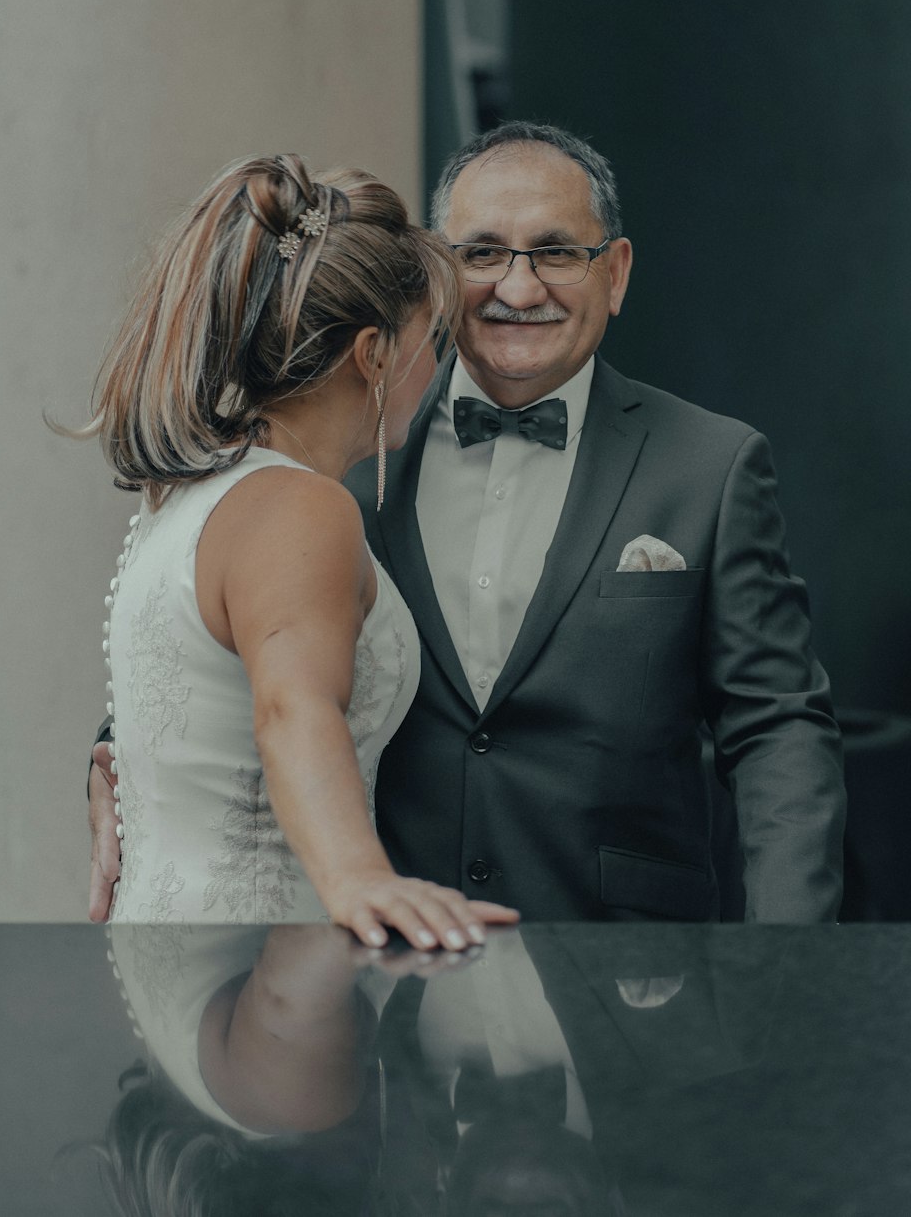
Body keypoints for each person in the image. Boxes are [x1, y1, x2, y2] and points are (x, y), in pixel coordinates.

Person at [91, 123, 846, 923]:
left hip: (622, 978)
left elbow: (777, 730)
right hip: (380, 970)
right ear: (436, 273)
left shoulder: (711, 466)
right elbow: (230, 636)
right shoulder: (336, 449)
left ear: (615, 274)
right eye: (482, 254)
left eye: (557, 252)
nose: (518, 290)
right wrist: (121, 758)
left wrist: (789, 966)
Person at [74, 152, 518, 949]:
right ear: (374, 354)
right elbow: (291, 705)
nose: (439, 370)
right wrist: (359, 877)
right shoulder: (301, 507)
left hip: (171, 967)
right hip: (265, 977)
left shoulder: (188, 494)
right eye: (432, 340)